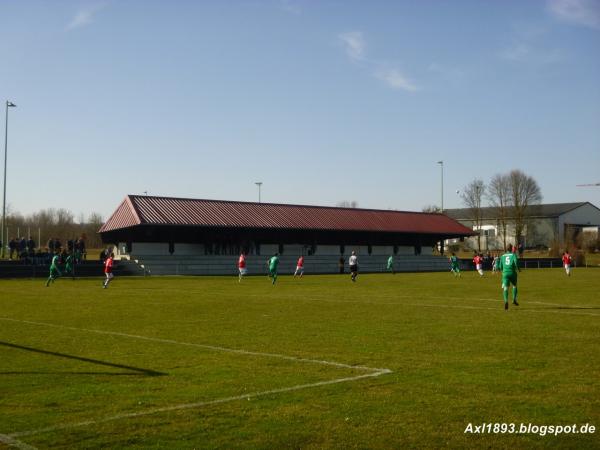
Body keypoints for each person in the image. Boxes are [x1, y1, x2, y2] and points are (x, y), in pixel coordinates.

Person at [499, 244, 520, 310]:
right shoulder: (513, 255)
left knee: (505, 288)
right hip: (512, 272)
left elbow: (500, 266)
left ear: (506, 249)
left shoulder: (502, 256)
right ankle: (514, 299)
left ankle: (506, 301)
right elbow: (516, 262)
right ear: (511, 249)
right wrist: (518, 269)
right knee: (514, 286)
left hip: (505, 273)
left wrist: (503, 271)